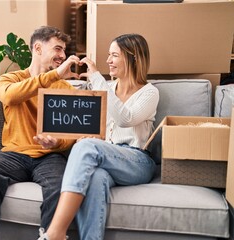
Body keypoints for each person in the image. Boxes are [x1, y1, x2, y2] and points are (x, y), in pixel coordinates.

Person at [37, 33, 160, 240]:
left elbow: (124, 119)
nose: (108, 61)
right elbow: (97, 130)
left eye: (114, 55)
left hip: (137, 161)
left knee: (88, 148)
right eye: (108, 55)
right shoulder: (108, 88)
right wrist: (85, 138)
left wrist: (97, 78)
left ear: (133, 58)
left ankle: (56, 232)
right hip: (106, 160)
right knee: (95, 177)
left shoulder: (149, 92)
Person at [0, 25, 81, 240]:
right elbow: (10, 97)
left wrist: (57, 142)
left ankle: (49, 237)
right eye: (57, 49)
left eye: (64, 51)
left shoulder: (64, 88)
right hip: (14, 155)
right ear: (37, 48)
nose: (62, 55)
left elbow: (71, 134)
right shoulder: (10, 79)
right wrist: (54, 75)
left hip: (50, 157)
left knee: (61, 185)